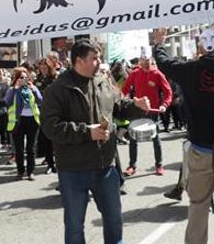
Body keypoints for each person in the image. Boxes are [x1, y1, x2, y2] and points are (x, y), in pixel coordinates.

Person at [40, 40, 149, 244]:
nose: (99, 62)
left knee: (114, 221)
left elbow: (119, 106)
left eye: (99, 57)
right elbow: (50, 127)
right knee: (74, 226)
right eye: (94, 58)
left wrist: (137, 106)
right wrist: (86, 132)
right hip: (73, 169)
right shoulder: (57, 89)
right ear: (78, 61)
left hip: (105, 166)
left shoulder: (103, 81)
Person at [152, 27, 214, 244]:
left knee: (198, 205)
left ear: (200, 48)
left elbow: (163, 62)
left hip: (201, 151)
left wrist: (159, 42)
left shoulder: (190, 70)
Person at [121, 54, 172, 177]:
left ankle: (159, 164)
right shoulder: (135, 73)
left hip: (152, 112)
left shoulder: (158, 74)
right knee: (133, 138)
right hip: (137, 110)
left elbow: (168, 92)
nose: (147, 63)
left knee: (156, 138)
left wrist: (164, 105)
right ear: (140, 61)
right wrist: (123, 102)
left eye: (149, 61)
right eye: (144, 61)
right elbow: (124, 89)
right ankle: (132, 166)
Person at [3, 67, 43, 180]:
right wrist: (15, 89)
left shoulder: (32, 88)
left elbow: (40, 100)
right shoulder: (12, 90)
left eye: (26, 77)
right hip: (18, 121)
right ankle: (20, 171)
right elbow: (7, 102)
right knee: (19, 149)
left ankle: (31, 171)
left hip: (32, 120)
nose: (24, 79)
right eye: (21, 77)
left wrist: (33, 89)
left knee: (31, 148)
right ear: (16, 79)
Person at [36, 58, 59, 174]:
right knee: (45, 138)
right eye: (41, 66)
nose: (43, 68)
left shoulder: (55, 78)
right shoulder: (38, 78)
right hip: (41, 111)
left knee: (55, 138)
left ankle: (59, 162)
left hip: (54, 110)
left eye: (45, 66)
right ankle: (50, 163)